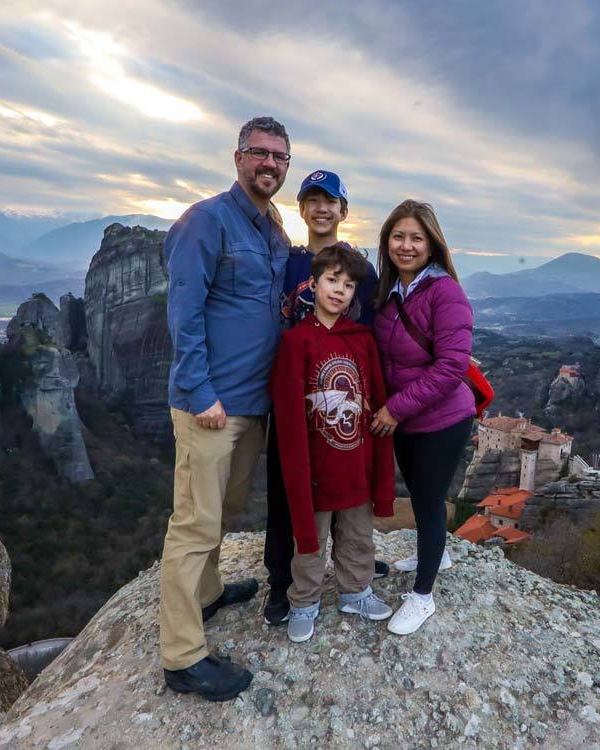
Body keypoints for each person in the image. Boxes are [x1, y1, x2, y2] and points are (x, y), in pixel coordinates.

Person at [158, 116, 292, 702]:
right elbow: (184, 310)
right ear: (238, 157)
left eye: (279, 157)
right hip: (210, 404)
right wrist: (200, 390)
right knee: (194, 522)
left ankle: (208, 593)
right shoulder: (207, 221)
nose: (269, 164)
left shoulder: (271, 227)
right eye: (259, 154)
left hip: (253, 404)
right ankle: (182, 657)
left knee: (225, 507)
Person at [262, 170, 389, 626]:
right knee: (290, 491)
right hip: (293, 391)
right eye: (312, 200)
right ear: (301, 209)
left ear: (343, 211)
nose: (321, 208)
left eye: (330, 201)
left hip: (345, 395)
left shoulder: (362, 269)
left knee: (351, 493)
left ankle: (355, 578)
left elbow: (374, 327)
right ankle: (285, 585)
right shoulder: (288, 262)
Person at [370, 200, 475, 636]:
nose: (406, 245)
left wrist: (394, 408)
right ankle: (439, 553)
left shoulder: (444, 291)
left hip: (442, 420)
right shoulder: (389, 293)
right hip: (407, 420)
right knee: (418, 493)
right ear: (387, 242)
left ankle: (422, 596)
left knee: (429, 502)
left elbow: (452, 367)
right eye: (398, 236)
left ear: (432, 245)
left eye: (416, 237)